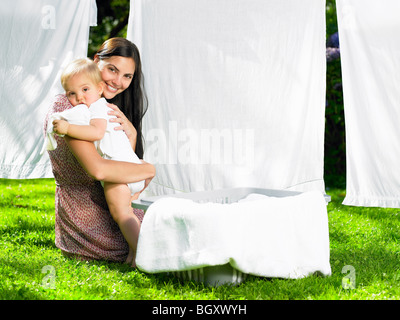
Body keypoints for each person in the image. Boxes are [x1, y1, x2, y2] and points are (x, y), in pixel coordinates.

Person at [43, 38, 155, 265]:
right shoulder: (69, 108)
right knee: (147, 238)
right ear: (96, 62)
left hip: (109, 196)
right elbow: (100, 170)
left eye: (127, 76)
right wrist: (148, 169)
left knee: (158, 228)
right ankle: (146, 256)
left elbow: (117, 156)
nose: (118, 82)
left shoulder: (100, 108)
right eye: (112, 70)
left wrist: (131, 136)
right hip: (84, 209)